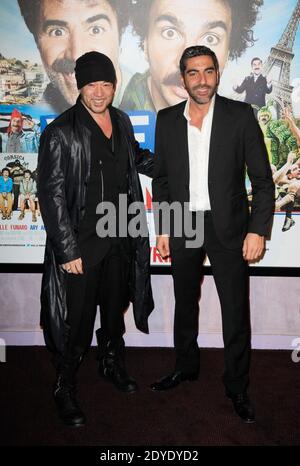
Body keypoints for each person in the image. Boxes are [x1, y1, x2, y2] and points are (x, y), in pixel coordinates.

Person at [151, 45, 274, 424]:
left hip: (230, 228)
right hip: (184, 224)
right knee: (184, 303)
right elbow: (163, 179)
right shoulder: (167, 119)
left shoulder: (240, 115)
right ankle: (186, 366)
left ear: (217, 74)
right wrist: (165, 228)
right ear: (183, 77)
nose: (201, 80)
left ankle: (237, 386)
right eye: (193, 73)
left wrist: (258, 231)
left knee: (235, 310)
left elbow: (263, 181)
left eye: (208, 72)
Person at [37, 51, 154, 427]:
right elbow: (51, 195)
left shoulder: (120, 120)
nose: (100, 92)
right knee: (76, 323)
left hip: (120, 237)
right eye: (92, 84)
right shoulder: (61, 131)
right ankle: (64, 385)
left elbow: (136, 158)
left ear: (114, 85)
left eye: (106, 84)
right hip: (82, 247)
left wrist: (179, 165)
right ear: (79, 85)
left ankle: (110, 362)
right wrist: (67, 249)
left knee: (115, 308)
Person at [120, 0, 263, 112]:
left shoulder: (239, 120)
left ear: (227, 54)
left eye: (210, 39)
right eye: (170, 33)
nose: (187, 63)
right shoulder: (122, 123)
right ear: (145, 44)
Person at [18, 0, 131, 113]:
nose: (76, 56)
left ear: (120, 35)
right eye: (58, 32)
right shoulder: (36, 114)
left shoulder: (144, 97)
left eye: (96, 30)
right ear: (37, 41)